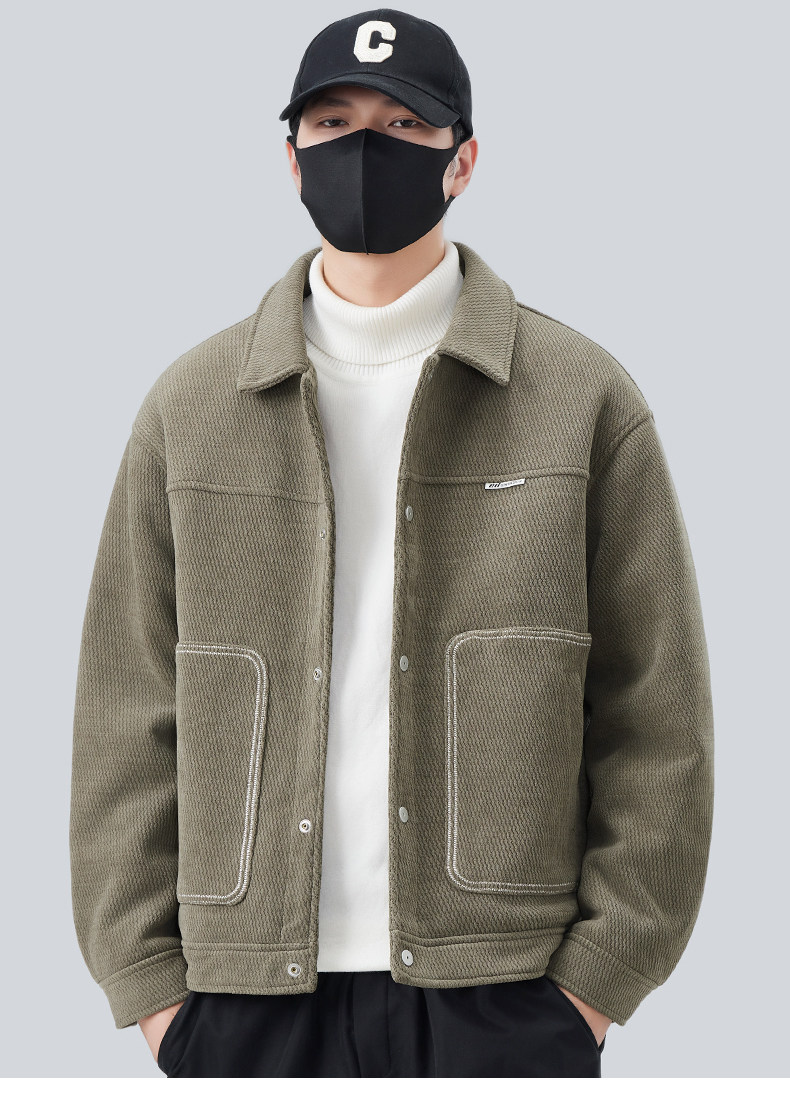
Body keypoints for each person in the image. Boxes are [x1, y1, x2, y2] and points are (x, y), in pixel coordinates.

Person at [69, 8, 714, 1079]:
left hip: (504, 991)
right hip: (241, 996)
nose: (365, 147)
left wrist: (597, 983)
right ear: (291, 158)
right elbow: (124, 711)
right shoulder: (191, 407)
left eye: (405, 123)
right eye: (333, 122)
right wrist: (152, 990)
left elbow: (659, 713)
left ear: (464, 160)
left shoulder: (581, 398)